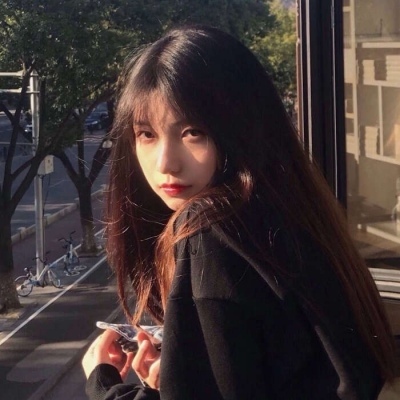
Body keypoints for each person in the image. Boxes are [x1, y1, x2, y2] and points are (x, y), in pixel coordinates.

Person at [82, 25, 396, 399]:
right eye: (147, 134)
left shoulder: (212, 231)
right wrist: (184, 375)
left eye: (193, 132)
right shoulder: (291, 214)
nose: (166, 163)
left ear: (242, 129)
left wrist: (103, 384)